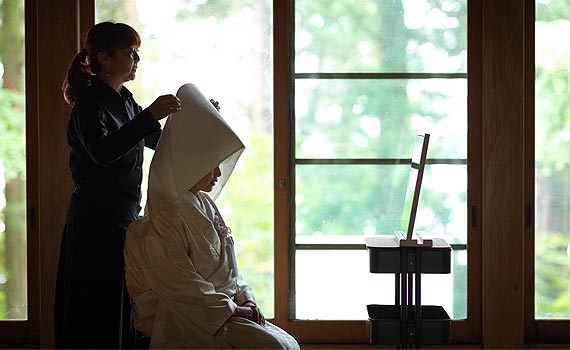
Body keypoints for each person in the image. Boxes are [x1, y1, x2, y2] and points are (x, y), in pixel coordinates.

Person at [124, 83, 300, 349]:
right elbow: (179, 283)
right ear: (190, 163)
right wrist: (230, 309)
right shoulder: (164, 218)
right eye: (211, 165)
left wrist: (246, 299)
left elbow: (231, 269)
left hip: (223, 309)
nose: (217, 174)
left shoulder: (204, 204)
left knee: (288, 344)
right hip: (190, 317)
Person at [54, 21, 182, 349]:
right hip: (94, 222)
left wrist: (194, 120)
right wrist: (150, 114)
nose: (137, 59)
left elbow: (157, 139)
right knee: (95, 310)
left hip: (124, 220)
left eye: (136, 52)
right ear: (105, 59)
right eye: (130, 52)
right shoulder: (88, 104)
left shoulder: (124, 100)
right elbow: (103, 151)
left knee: (123, 307)